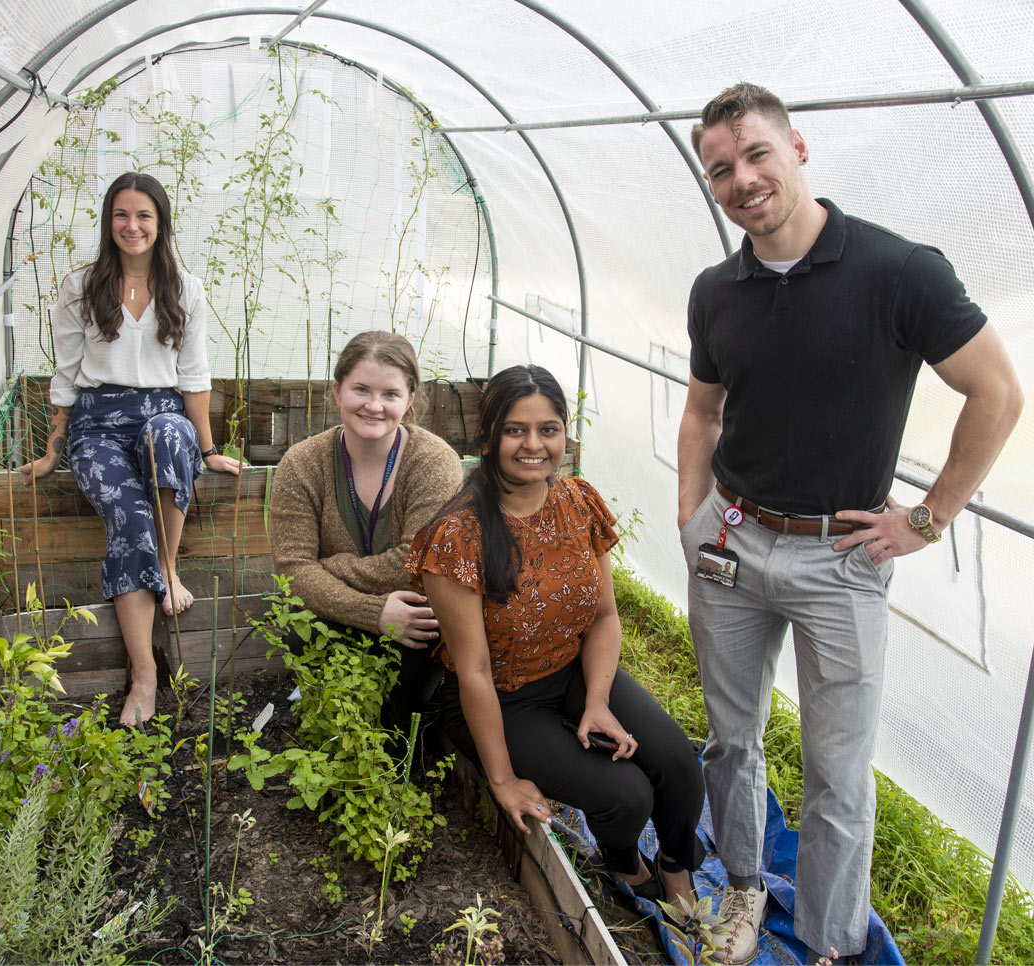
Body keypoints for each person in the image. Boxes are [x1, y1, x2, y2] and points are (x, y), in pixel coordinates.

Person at [680, 83, 1024, 964]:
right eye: (721, 169)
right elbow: (702, 410)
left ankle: (831, 945)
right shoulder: (718, 289)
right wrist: (692, 513)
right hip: (731, 539)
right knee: (731, 740)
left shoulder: (899, 271)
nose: (742, 179)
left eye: (756, 154)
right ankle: (745, 892)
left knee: (837, 774)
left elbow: (996, 391)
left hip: (840, 559)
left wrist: (930, 516)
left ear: (798, 149)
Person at [408, 365, 705, 911]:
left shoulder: (577, 502)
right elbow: (472, 672)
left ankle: (675, 863)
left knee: (681, 768)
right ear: (488, 436)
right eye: (515, 429)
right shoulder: (457, 535)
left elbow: (604, 617)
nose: (534, 444)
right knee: (627, 796)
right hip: (501, 698)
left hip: (571, 670)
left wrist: (597, 702)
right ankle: (622, 860)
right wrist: (501, 779)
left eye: (548, 429)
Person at [19, 171, 243, 727]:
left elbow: (194, 377)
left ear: (160, 223)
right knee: (128, 513)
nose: (132, 226)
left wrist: (209, 449)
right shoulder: (80, 286)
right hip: (97, 423)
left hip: (161, 413)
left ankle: (167, 566)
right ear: (108, 222)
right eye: (122, 214)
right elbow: (66, 375)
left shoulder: (184, 288)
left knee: (171, 436)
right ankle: (144, 675)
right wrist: (53, 449)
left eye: (144, 215)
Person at [268, 331, 463, 738]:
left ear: (410, 399)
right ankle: (332, 724)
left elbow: (416, 561)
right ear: (337, 392)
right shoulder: (302, 465)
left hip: (413, 618)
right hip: (336, 614)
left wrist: (328, 567)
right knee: (299, 623)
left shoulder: (434, 462)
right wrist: (374, 614)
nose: (374, 406)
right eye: (361, 389)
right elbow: (293, 573)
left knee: (432, 620)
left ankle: (400, 734)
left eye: (390, 394)